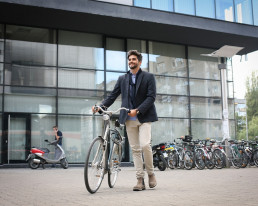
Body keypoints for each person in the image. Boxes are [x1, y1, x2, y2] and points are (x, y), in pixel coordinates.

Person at [92, 50, 158, 191]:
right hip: (129, 118)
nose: (131, 61)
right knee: (135, 150)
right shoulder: (122, 79)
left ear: (139, 62)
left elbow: (151, 97)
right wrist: (100, 106)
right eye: (129, 59)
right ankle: (140, 180)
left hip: (144, 117)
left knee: (145, 145)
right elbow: (112, 96)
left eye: (134, 59)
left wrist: (138, 109)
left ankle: (151, 173)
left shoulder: (148, 77)